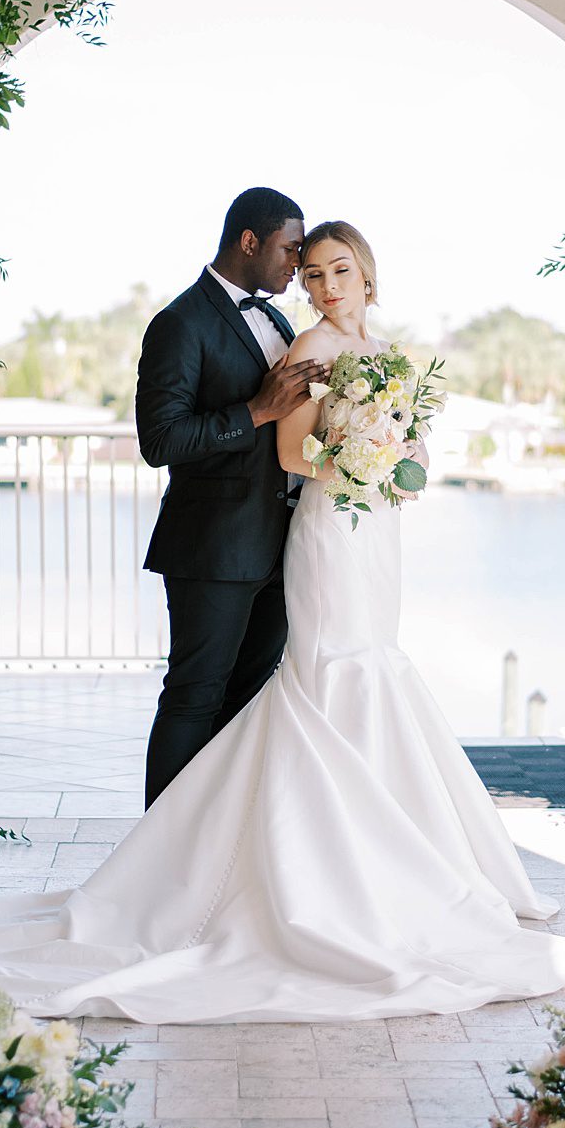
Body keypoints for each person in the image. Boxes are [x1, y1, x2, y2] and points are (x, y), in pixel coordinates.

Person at [0, 219, 565, 1023]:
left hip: (378, 539)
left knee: (375, 668)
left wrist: (405, 462)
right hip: (328, 530)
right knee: (318, 678)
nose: (326, 285)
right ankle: (259, 872)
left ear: (367, 274)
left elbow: (416, 444)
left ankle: (393, 863)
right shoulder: (306, 348)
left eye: (339, 271)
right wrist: (352, 465)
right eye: (314, 271)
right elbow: (294, 453)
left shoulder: (389, 352)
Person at [133, 187, 329, 806]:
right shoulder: (179, 323)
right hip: (213, 548)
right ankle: (157, 857)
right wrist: (256, 410)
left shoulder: (278, 321)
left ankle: (212, 847)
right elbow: (159, 438)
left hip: (283, 547)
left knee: (248, 701)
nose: (296, 264)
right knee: (195, 696)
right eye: (289, 249)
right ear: (250, 241)